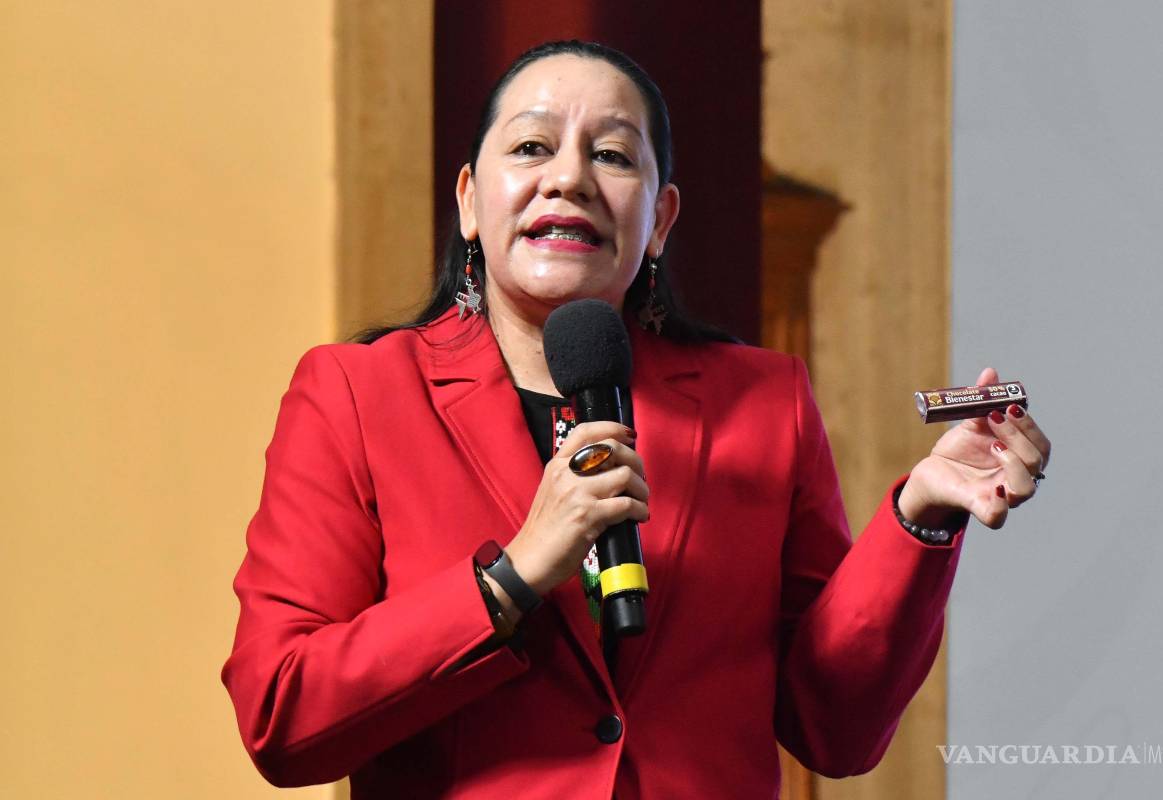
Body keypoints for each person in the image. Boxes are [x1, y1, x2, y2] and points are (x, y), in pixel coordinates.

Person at [221, 40, 1052, 799]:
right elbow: (281, 715)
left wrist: (924, 519)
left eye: (613, 155)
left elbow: (833, 729)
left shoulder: (763, 403)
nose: (570, 178)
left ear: (658, 220)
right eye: (531, 147)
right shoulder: (358, 394)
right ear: (471, 202)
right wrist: (509, 580)